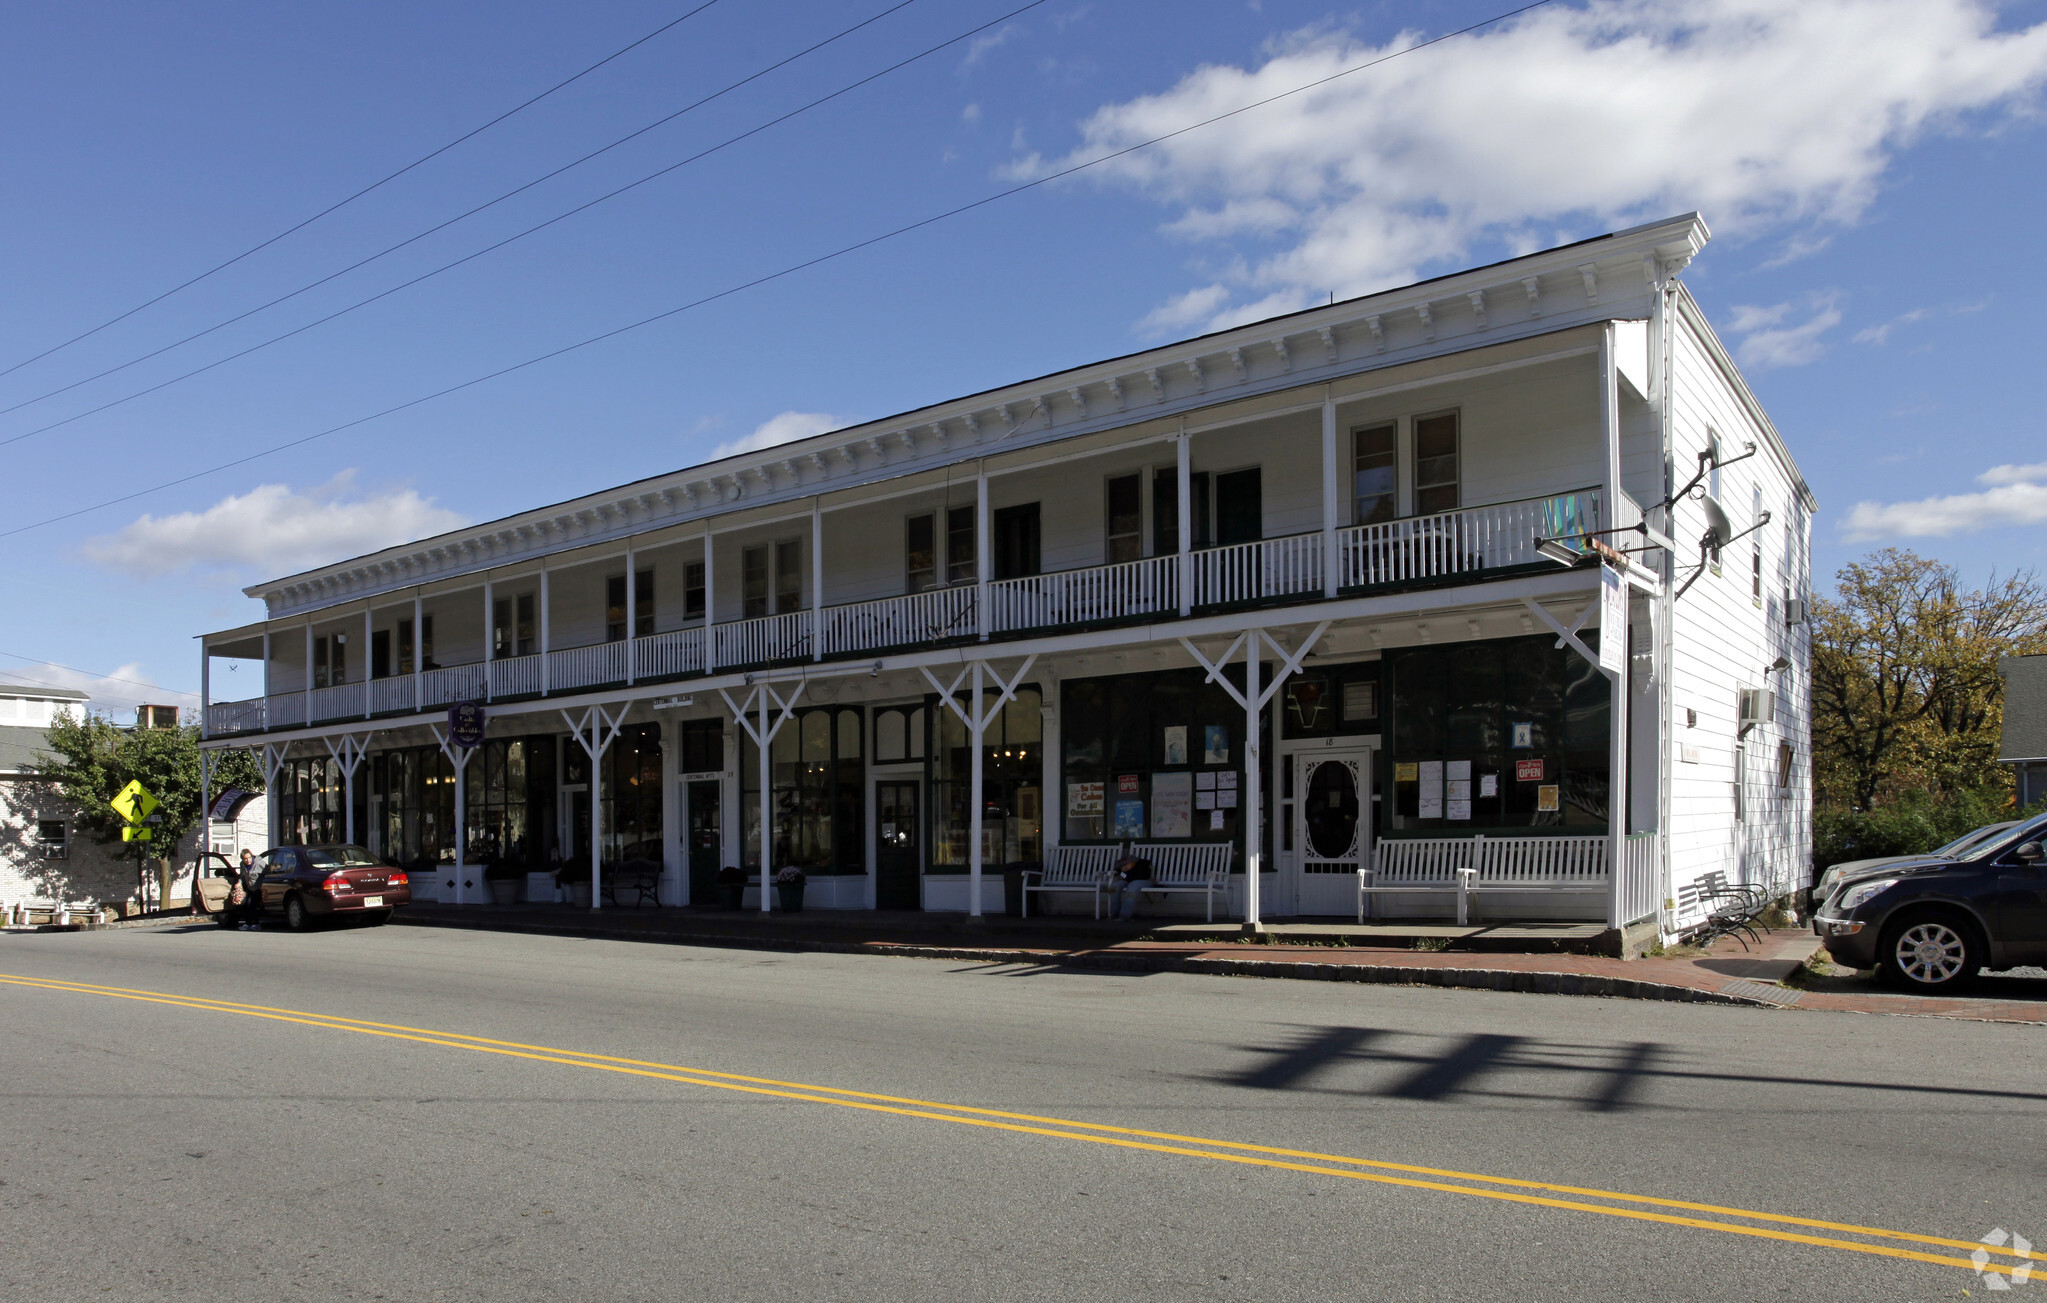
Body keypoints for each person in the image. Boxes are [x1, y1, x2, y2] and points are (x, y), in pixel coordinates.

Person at [1107, 854, 1151, 921]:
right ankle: (1114, 914)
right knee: (1113, 887)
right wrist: (1121, 872)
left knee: (1132, 888)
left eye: (1127, 865)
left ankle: (1124, 915)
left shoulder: (1142, 865)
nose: (1125, 867)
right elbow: (1126, 878)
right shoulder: (1122, 872)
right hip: (1128, 881)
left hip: (1142, 881)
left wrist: (1128, 875)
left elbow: (1144, 876)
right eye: (1123, 866)